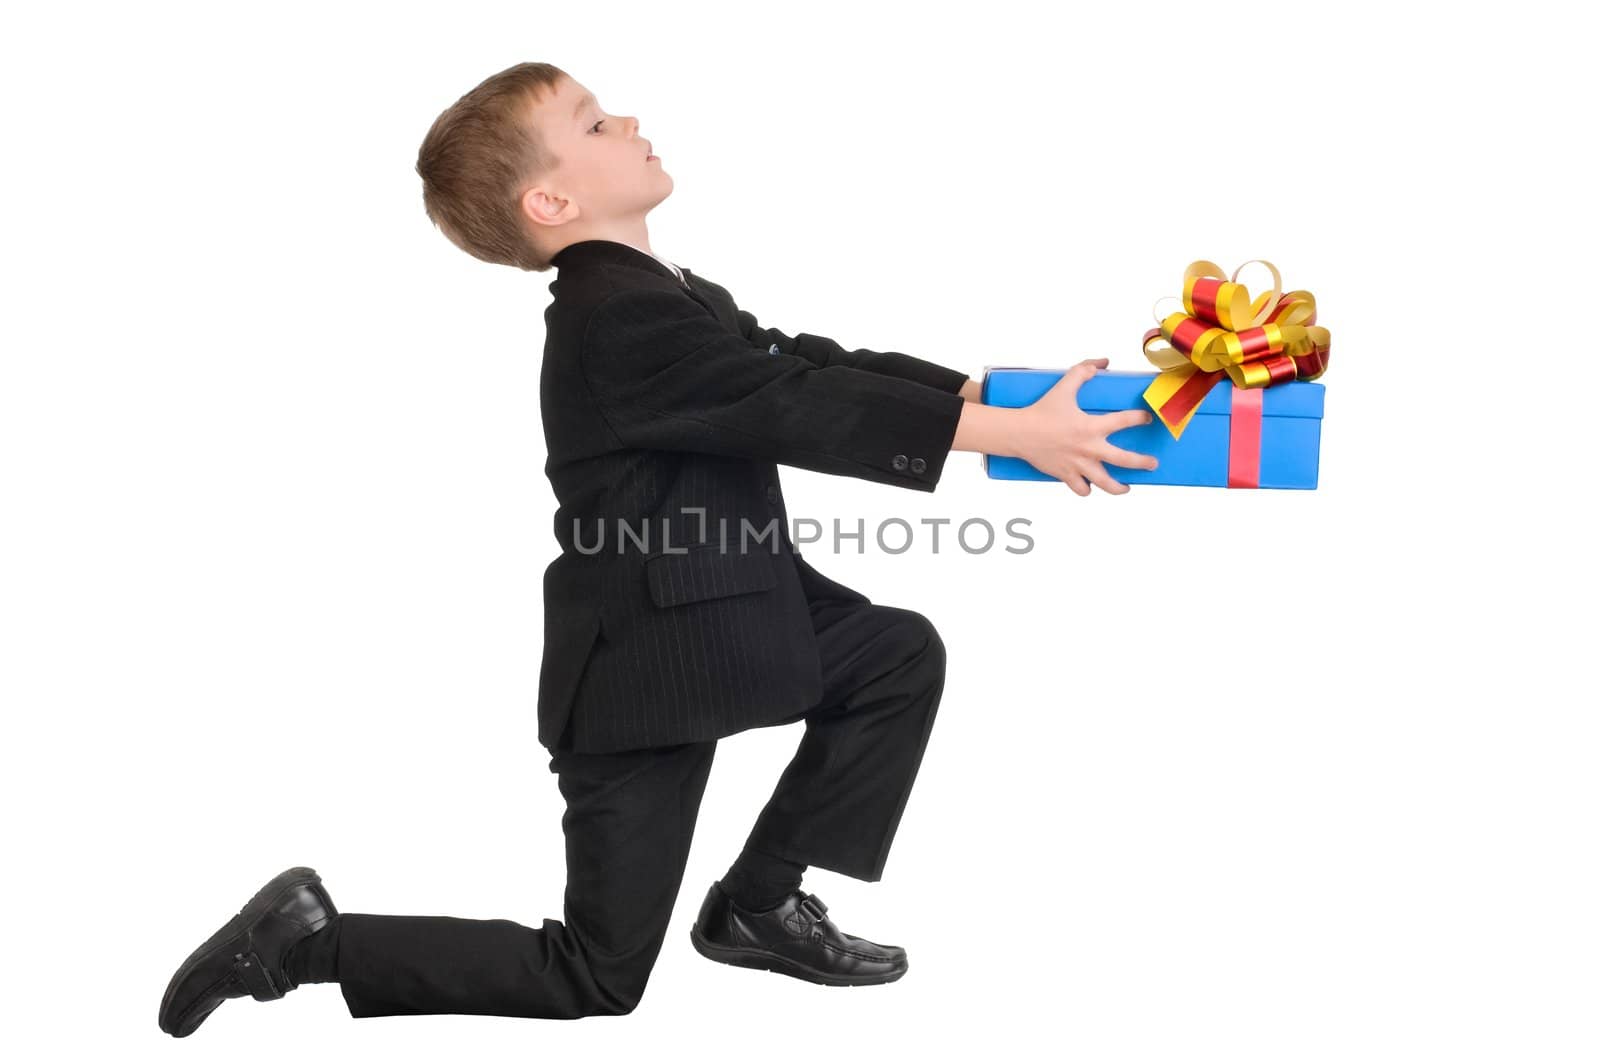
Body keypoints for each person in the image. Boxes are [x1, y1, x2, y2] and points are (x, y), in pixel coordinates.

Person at [157, 62, 1157, 1037]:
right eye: (593, 123)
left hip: (727, 611)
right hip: (643, 670)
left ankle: (756, 904)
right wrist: (1002, 437)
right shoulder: (611, 317)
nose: (627, 121)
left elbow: (798, 361)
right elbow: (788, 405)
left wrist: (981, 401)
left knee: (896, 655)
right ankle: (303, 943)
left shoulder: (663, 293)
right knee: (594, 973)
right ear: (550, 200)